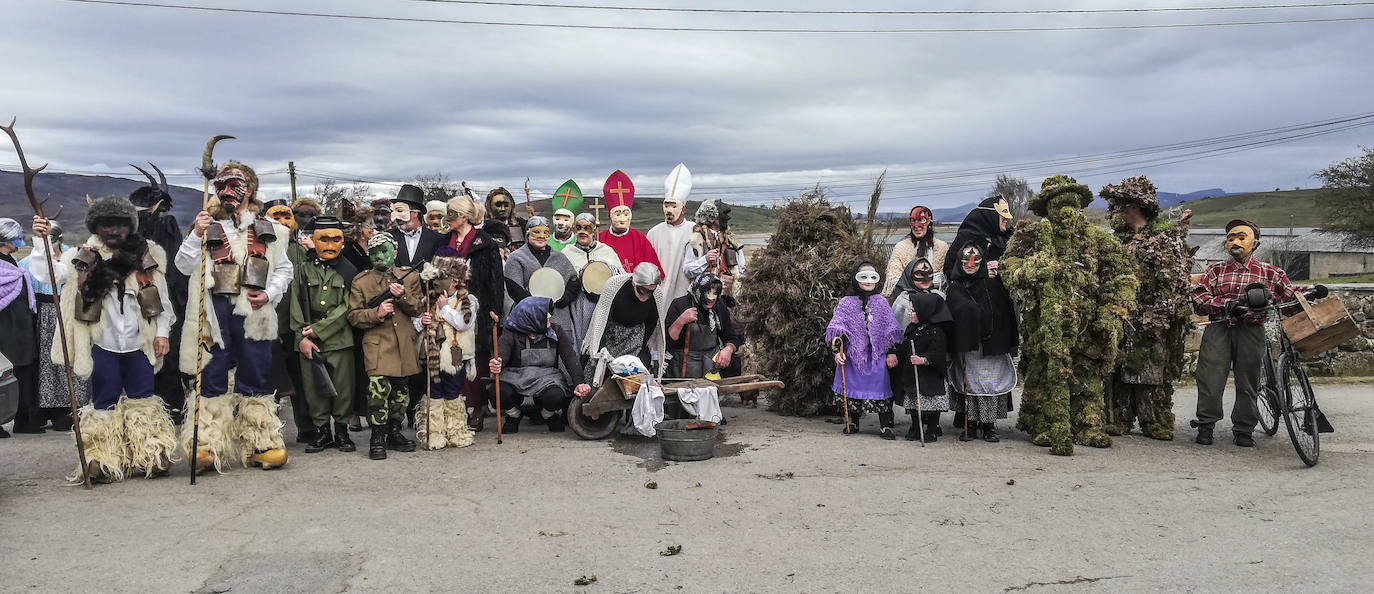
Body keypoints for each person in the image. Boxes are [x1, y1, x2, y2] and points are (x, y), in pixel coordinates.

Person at [31, 198, 178, 482]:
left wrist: (162, 334)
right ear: (97, 227)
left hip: (139, 346)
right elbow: (49, 273)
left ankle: (150, 454)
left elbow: (163, 302)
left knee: (143, 399)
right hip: (103, 347)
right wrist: (41, 241)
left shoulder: (147, 258)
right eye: (106, 224)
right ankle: (102, 459)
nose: (113, 231)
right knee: (104, 402)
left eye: (120, 225)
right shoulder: (82, 258)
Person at [1001, 175, 1136, 455]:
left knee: (1086, 372)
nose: (1066, 211)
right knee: (1044, 374)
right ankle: (1043, 423)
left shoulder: (1097, 239)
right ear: (1047, 208)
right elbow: (1008, 266)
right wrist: (1030, 271)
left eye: (1072, 204)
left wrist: (1112, 310)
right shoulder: (1032, 236)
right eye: (1059, 205)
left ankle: (1088, 424)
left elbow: (1122, 275)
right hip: (1044, 321)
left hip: (1086, 321)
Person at [176, 160, 293, 473]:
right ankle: (205, 447)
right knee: (212, 374)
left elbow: (284, 269)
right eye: (221, 186)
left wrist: (269, 294)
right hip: (215, 313)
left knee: (256, 373)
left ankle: (262, 444)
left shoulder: (273, 231)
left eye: (234, 185)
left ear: (249, 190)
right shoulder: (204, 228)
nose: (226, 191)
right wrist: (195, 235)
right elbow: (183, 266)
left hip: (254, 313)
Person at [1189, 219, 1306, 447]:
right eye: (1231, 238)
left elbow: (1289, 299)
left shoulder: (1271, 272)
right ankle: (1206, 425)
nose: (1235, 242)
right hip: (1219, 327)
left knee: (1248, 380)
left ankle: (1244, 429)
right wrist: (1226, 305)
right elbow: (1199, 298)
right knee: (1210, 378)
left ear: (1255, 243)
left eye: (1241, 238)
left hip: (1251, 330)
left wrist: (1308, 294)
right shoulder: (1215, 271)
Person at [1101, 176, 1194, 440]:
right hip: (1120, 321)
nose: (1112, 213)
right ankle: (1119, 418)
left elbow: (1174, 286)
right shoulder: (1117, 242)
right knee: (1117, 369)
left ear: (1132, 208)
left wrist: (1153, 318)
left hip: (1151, 321)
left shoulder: (1164, 240)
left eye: (1116, 207)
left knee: (1151, 370)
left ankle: (1155, 419)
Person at [942, 195, 1015, 431]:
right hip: (969, 308)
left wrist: (1003, 269)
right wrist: (980, 270)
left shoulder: (1007, 240)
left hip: (997, 311)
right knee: (970, 364)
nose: (1005, 222)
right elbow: (950, 269)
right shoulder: (967, 237)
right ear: (991, 216)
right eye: (1002, 217)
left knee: (992, 366)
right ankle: (968, 418)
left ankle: (989, 421)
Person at [347, 234, 423, 460]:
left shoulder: (410, 277)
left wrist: (404, 297)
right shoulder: (361, 282)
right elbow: (353, 315)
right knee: (378, 391)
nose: (379, 257)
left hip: (403, 343)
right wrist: (376, 313)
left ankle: (394, 431)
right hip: (377, 344)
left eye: (384, 251)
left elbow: (418, 308)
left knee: (401, 392)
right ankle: (377, 435)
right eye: (374, 253)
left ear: (395, 252)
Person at [290, 216, 359, 454]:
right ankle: (322, 432)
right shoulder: (301, 270)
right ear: (313, 241)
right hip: (308, 341)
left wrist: (320, 330)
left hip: (339, 339)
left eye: (336, 240)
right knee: (313, 388)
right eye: (324, 240)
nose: (330, 245)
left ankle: (341, 431)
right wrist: (302, 337)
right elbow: (294, 306)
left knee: (343, 388)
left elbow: (348, 305)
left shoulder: (348, 271)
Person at [437, 195, 504, 431]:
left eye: (451, 215)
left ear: (463, 217)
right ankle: (457, 406)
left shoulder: (485, 243)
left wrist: (495, 312)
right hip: (449, 304)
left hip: (478, 308)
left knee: (474, 360)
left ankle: (477, 407)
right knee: (453, 356)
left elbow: (496, 281)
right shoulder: (446, 241)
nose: (447, 219)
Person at [129, 165, 190, 425]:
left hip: (165, 293)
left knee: (165, 349)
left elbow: (174, 263)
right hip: (152, 291)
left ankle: (169, 402)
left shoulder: (164, 223)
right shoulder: (154, 225)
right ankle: (161, 402)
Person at [19, 221, 93, 430]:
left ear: (58, 240)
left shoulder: (74, 259)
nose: (49, 244)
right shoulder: (27, 263)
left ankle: (75, 407)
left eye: (52, 239)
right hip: (44, 315)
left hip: (69, 311)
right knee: (48, 363)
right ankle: (50, 408)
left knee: (73, 356)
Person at [489, 297, 590, 433]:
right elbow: (502, 353)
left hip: (547, 379)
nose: (549, 318)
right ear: (529, 318)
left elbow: (570, 357)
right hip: (515, 378)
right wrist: (497, 362)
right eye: (544, 316)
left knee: (556, 395)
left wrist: (579, 382)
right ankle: (513, 415)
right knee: (498, 391)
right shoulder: (511, 334)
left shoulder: (556, 331)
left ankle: (547, 414)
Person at [825, 262, 903, 439]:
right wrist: (837, 352)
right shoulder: (846, 303)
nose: (868, 281)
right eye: (863, 277)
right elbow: (837, 329)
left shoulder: (881, 302)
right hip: (853, 355)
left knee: (881, 387)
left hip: (877, 356)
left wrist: (892, 352)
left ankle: (885, 425)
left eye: (872, 277)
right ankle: (853, 421)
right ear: (856, 278)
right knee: (852, 387)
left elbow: (889, 329)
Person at [413, 255, 476, 450]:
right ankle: (434, 433)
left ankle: (456, 431)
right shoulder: (427, 300)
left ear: (455, 281)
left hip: (453, 357)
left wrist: (445, 308)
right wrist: (420, 322)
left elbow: (463, 323)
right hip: (432, 357)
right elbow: (414, 324)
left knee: (453, 393)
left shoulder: (468, 301)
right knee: (434, 393)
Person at [890, 258, 952, 442]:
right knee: (913, 391)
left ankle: (933, 425)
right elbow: (896, 327)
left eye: (928, 274)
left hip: (931, 359)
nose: (925, 278)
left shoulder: (939, 297)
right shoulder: (903, 300)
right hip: (909, 353)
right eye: (919, 274)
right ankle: (916, 425)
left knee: (932, 394)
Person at [581, 263, 669, 382]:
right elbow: (601, 319)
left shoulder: (656, 294)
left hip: (635, 337)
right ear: (634, 283)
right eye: (642, 290)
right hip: (610, 335)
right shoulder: (614, 285)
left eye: (650, 291)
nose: (646, 296)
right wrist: (599, 350)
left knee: (629, 376)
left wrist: (641, 347)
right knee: (598, 373)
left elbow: (652, 323)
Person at [503, 216, 579, 337]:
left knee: (562, 351)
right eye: (536, 232)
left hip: (558, 317)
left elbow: (574, 281)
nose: (541, 236)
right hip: (527, 317)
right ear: (528, 234)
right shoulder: (516, 258)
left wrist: (564, 298)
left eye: (545, 232)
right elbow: (515, 289)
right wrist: (538, 306)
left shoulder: (560, 257)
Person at [0, 219, 41, 437]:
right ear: (5, 240)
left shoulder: (13, 262)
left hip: (21, 326)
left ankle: (24, 419)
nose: (20, 240)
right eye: (17, 237)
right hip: (5, 326)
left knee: (25, 372)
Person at [665, 273, 744, 379]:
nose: (711, 298)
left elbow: (731, 337)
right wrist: (681, 321)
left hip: (709, 367)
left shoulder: (719, 306)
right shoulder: (680, 305)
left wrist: (728, 350)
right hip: (682, 368)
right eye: (708, 293)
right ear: (698, 290)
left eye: (715, 294)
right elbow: (668, 341)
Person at [563, 213, 623, 345]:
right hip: (578, 304)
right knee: (580, 338)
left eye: (587, 228)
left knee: (602, 338)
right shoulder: (567, 252)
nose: (583, 232)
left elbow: (620, 278)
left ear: (594, 231)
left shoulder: (606, 251)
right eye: (579, 228)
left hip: (603, 302)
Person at [597, 170, 663, 278]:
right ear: (609, 216)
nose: (622, 219)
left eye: (626, 214)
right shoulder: (600, 239)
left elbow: (653, 270)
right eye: (617, 214)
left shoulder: (639, 238)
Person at [646, 163, 696, 302]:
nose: (669, 210)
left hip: (685, 291)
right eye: (666, 205)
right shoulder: (653, 233)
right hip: (659, 292)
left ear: (683, 209)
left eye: (674, 206)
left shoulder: (694, 231)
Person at [884, 205, 948, 298]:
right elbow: (893, 278)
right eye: (913, 221)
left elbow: (944, 277)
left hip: (936, 296)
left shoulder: (941, 247)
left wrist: (922, 281)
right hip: (907, 297)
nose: (917, 226)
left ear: (929, 223)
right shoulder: (901, 248)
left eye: (922, 220)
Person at [389, 185, 444, 268]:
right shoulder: (388, 237)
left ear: (415, 213)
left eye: (400, 211)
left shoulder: (436, 239)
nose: (397, 217)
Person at [483, 187, 527, 253]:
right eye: (498, 205)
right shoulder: (483, 228)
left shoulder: (522, 225)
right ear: (489, 206)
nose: (503, 209)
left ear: (512, 206)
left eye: (506, 205)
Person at [548, 179, 583, 252]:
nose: (560, 223)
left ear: (573, 223)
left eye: (566, 220)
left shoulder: (580, 243)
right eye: (557, 219)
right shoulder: (545, 242)